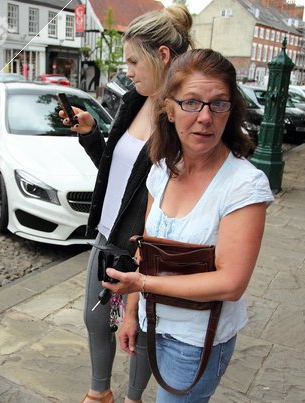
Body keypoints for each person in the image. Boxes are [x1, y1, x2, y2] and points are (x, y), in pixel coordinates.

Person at [103, 48, 274, 402]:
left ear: (232, 110)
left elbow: (231, 283)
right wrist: (132, 313)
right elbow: (146, 246)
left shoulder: (244, 185)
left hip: (199, 340)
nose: (206, 117)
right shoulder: (163, 168)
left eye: (219, 103)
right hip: (155, 324)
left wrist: (143, 283)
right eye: (192, 103)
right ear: (169, 109)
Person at [59, 5, 195, 403]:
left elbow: (174, 192)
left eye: (135, 60)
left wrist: (149, 248)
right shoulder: (136, 102)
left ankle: (134, 398)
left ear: (163, 56)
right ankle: (100, 393)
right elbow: (121, 172)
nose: (128, 70)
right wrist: (90, 134)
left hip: (143, 243)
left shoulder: (180, 117)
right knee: (96, 319)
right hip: (108, 233)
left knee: (140, 330)